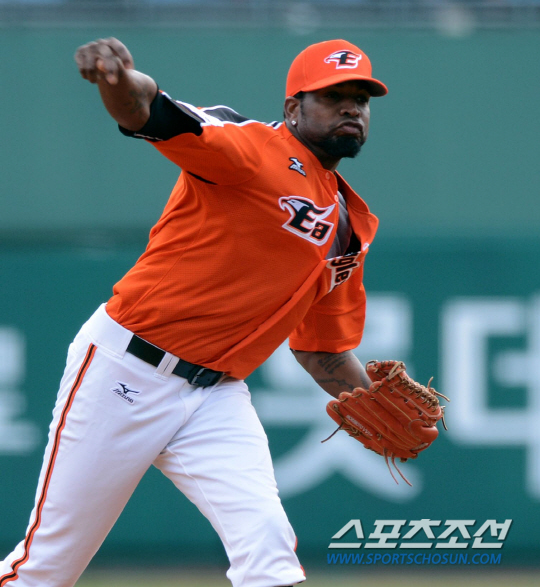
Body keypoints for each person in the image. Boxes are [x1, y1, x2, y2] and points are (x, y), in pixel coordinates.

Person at [0, 37, 387, 587]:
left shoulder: (351, 227)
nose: (351, 108)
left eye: (361, 99)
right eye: (333, 96)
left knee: (269, 553)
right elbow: (149, 111)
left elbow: (321, 349)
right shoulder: (247, 147)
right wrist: (118, 81)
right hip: (127, 369)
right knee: (46, 569)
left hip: (216, 395)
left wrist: (374, 406)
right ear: (292, 108)